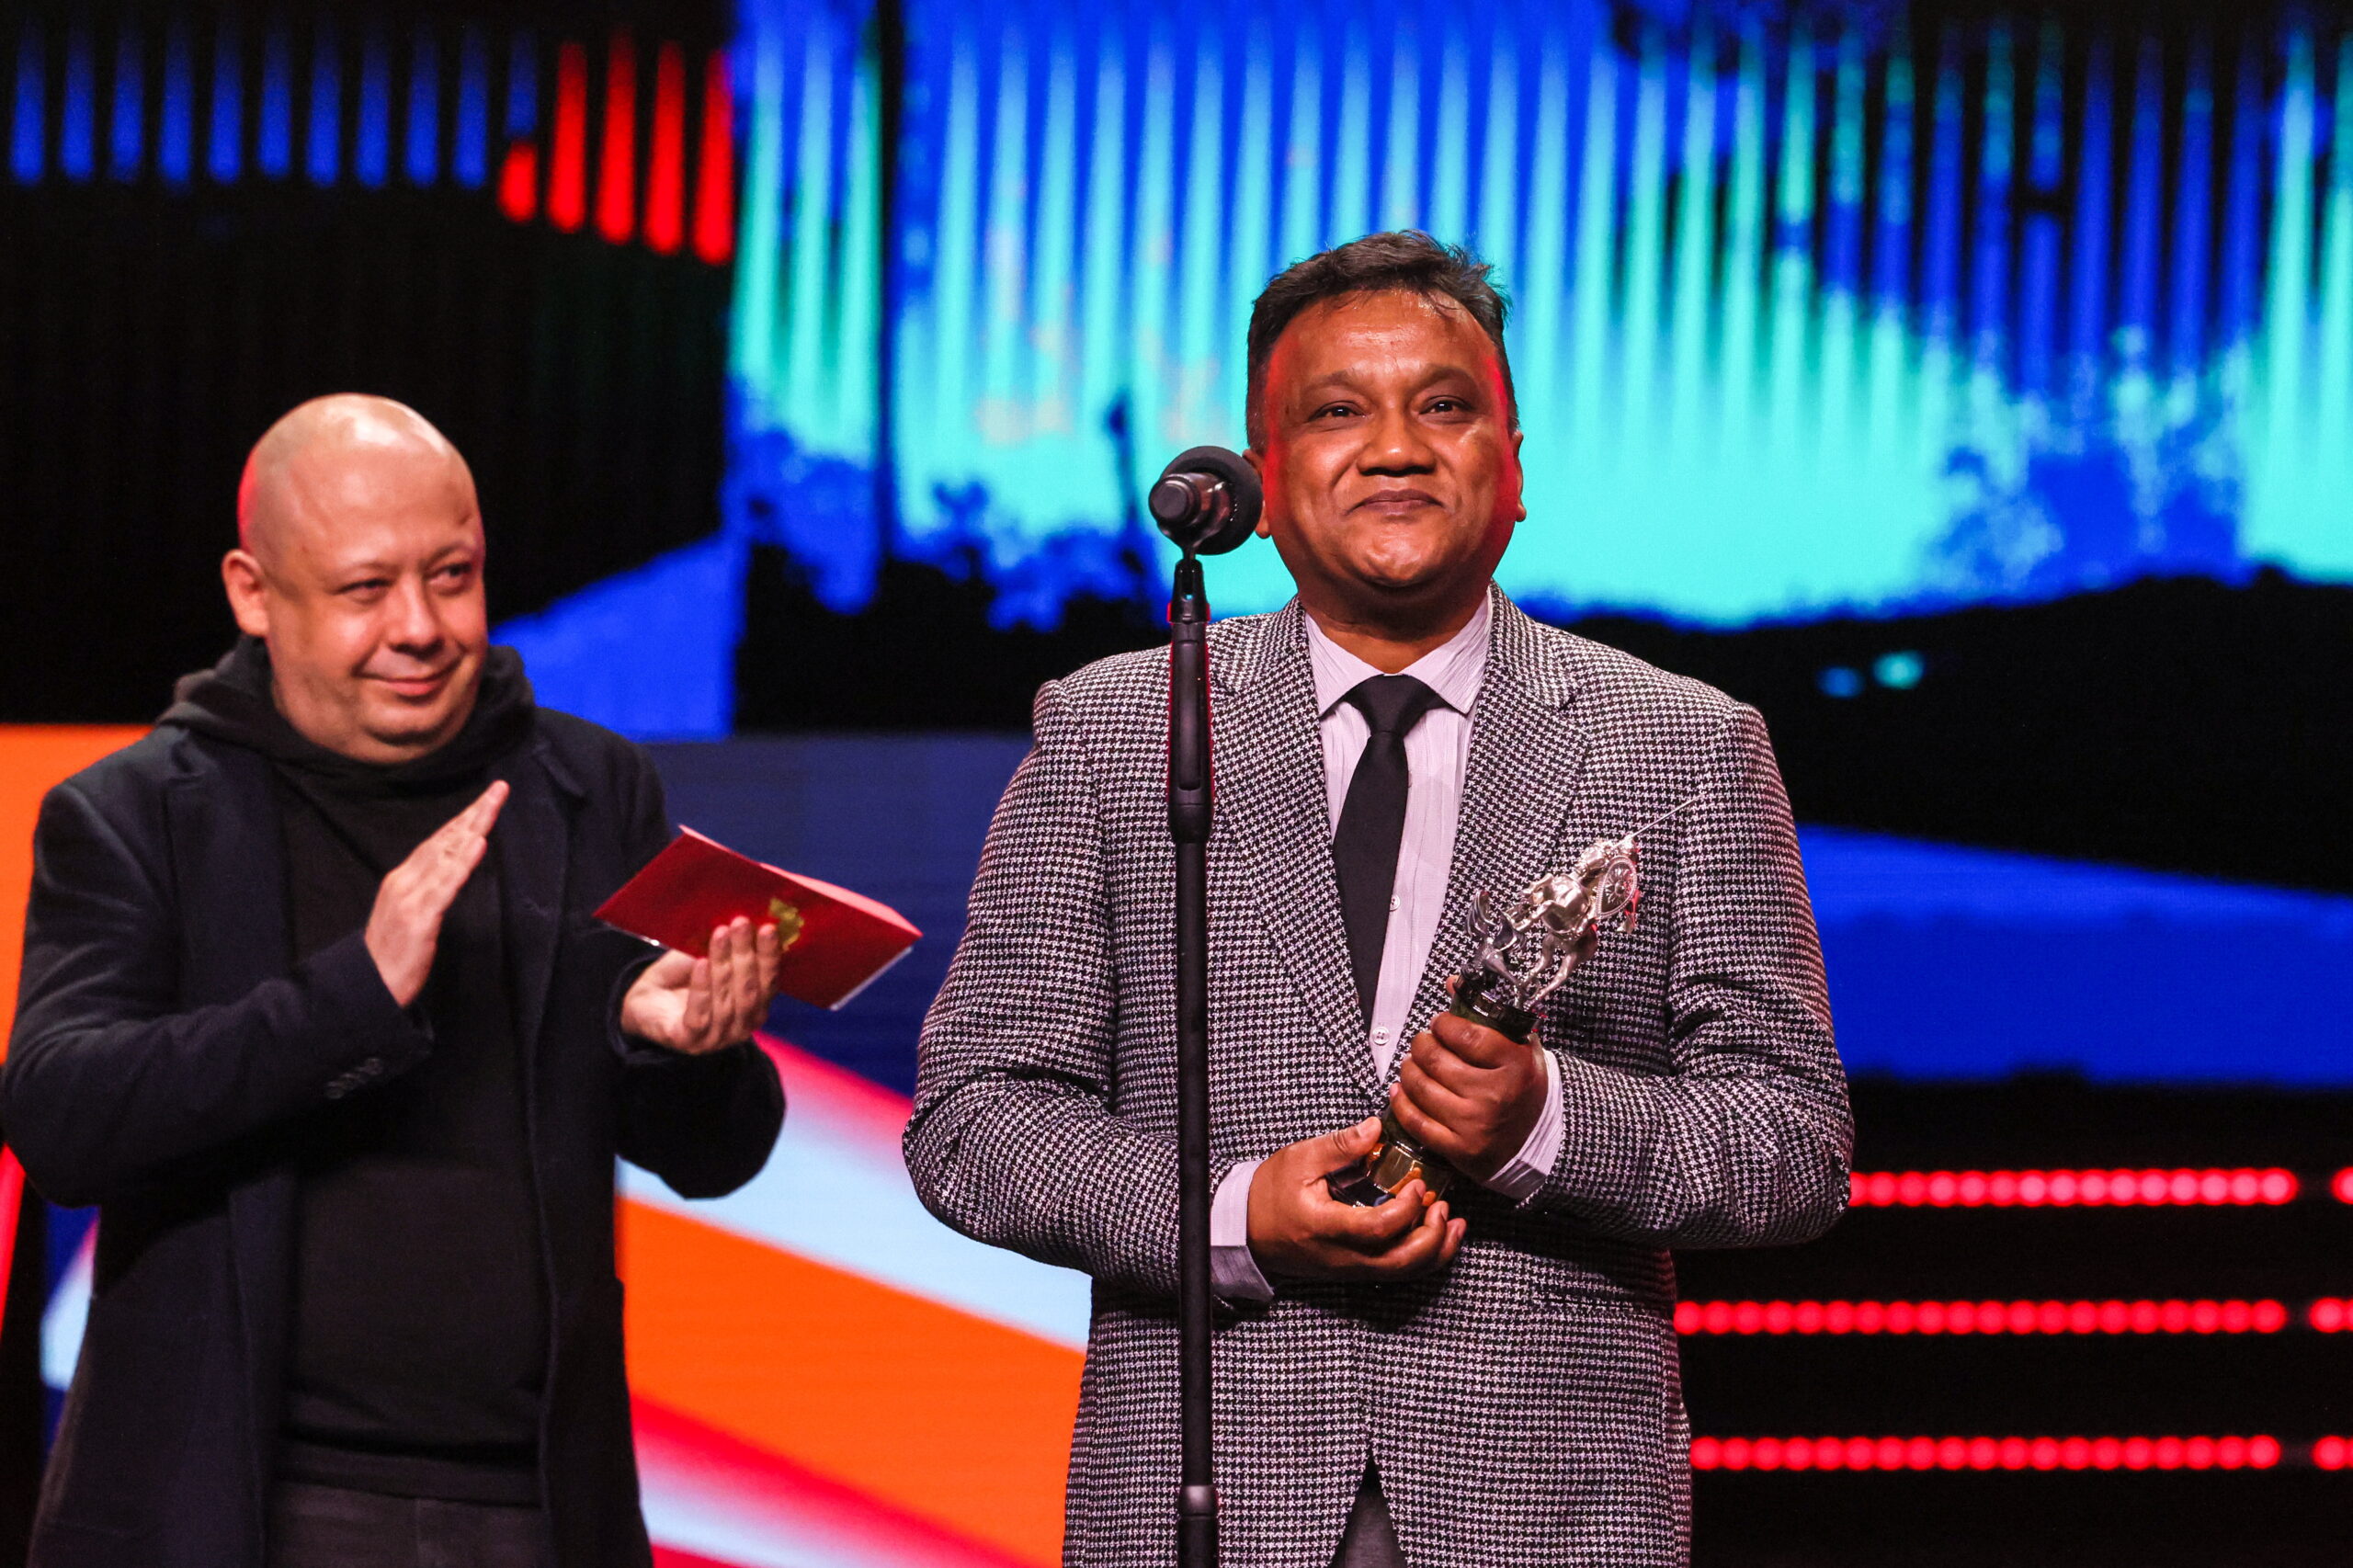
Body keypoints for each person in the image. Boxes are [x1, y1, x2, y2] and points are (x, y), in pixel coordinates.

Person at [905, 233, 1851, 1567]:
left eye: (1444, 406)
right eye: (1338, 411)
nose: (1396, 448)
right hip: (1208, 1500)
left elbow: (1793, 1145)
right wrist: (1238, 1211)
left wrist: (1544, 1118)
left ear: (1514, 469)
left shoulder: (1683, 743)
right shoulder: (1117, 730)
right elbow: (976, 1119)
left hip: (1551, 1514)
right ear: (1262, 479)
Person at [1, 395, 788, 1568]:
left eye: (451, 576)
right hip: (237, 1510)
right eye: (365, 589)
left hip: (537, 1510)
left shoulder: (590, 790)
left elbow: (715, 1153)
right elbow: (61, 1115)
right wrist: (352, 999)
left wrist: (687, 1053)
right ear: (253, 593)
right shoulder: (137, 813)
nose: (419, 627)